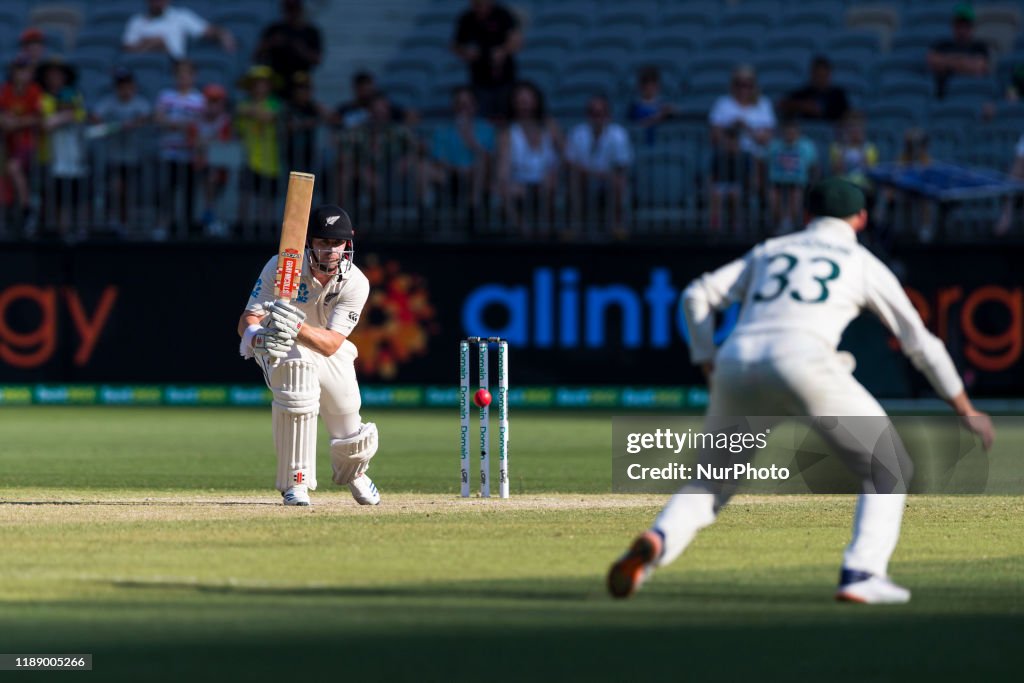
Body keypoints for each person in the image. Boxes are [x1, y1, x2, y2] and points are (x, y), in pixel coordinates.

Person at [607, 178, 995, 605]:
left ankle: (659, 539)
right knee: (889, 466)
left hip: (737, 360)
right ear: (861, 219)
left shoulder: (771, 249)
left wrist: (707, 359)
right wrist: (964, 407)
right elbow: (920, 342)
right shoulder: (861, 261)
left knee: (710, 482)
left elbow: (696, 295)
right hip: (804, 361)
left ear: (806, 215)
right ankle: (862, 573)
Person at [237, 205, 380, 507]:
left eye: (337, 244)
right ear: (310, 243)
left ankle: (354, 471)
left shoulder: (356, 282)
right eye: (323, 243)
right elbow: (247, 320)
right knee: (297, 372)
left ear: (348, 243)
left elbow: (330, 344)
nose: (330, 251)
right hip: (281, 349)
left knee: (346, 406)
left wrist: (296, 326)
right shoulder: (281, 267)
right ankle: (295, 482)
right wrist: (256, 337)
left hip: (324, 345)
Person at [496, 81, 562, 235]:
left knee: (549, 185)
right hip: (519, 180)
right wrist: (503, 181)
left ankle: (546, 230)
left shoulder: (550, 126)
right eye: (520, 101)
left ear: (536, 102)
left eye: (528, 100)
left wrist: (557, 172)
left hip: (548, 177)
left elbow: (567, 154)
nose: (524, 105)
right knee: (504, 188)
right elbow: (503, 166)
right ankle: (522, 229)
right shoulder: (507, 132)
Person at [91, 68, 152, 233]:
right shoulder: (109, 102)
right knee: (115, 188)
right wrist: (109, 126)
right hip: (114, 157)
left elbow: (148, 117)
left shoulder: (140, 102)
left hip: (134, 156)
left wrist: (134, 123)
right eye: (121, 86)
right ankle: (113, 220)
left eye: (128, 86)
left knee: (130, 191)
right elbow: (95, 116)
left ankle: (128, 223)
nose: (124, 90)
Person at [565, 94, 633, 237]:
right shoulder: (577, 133)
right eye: (593, 113)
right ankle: (576, 226)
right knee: (574, 179)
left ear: (608, 115)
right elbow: (570, 162)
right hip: (585, 178)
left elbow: (621, 165)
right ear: (587, 115)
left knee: (619, 182)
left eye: (600, 113)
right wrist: (592, 174)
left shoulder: (618, 134)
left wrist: (604, 176)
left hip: (609, 178)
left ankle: (616, 226)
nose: (596, 117)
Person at [425, 85, 495, 216]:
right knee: (423, 167)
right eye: (460, 104)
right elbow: (438, 157)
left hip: (479, 174)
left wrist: (469, 138)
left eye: (467, 104)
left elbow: (489, 157)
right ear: (454, 107)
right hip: (450, 174)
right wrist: (457, 169)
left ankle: (473, 208)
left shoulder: (486, 128)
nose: (464, 108)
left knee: (481, 161)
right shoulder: (442, 130)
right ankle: (424, 211)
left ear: (475, 106)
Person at [154, 59, 205, 239]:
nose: (183, 77)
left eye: (187, 73)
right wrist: (182, 124)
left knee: (189, 193)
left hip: (190, 155)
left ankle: (187, 228)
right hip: (169, 154)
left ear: (194, 76)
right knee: (166, 191)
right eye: (179, 73)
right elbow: (159, 118)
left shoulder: (199, 99)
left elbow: (201, 125)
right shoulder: (165, 96)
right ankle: (162, 226)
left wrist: (177, 124)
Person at [37, 57, 87, 240]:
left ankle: (79, 231)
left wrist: (62, 117)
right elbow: (45, 123)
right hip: (49, 156)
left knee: (76, 197)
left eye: (59, 74)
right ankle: (59, 232)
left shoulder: (74, 95)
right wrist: (63, 117)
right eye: (51, 74)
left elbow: (79, 116)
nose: (55, 78)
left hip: (74, 157)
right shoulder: (42, 97)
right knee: (54, 198)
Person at [452, 0, 522, 120]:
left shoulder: (502, 14)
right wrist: (467, 52)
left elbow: (517, 40)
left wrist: (503, 51)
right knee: (483, 116)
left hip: (504, 76)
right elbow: (455, 45)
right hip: (479, 78)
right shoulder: (467, 18)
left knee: (506, 114)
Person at [236, 65, 283, 237]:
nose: (259, 87)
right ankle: (242, 230)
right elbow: (239, 122)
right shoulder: (244, 104)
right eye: (256, 83)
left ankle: (265, 230)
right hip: (248, 158)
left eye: (263, 83)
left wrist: (250, 111)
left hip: (270, 160)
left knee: (267, 198)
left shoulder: (274, 103)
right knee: (245, 195)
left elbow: (268, 116)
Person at [0, 54, 42, 234]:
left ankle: (27, 210)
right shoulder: (6, 90)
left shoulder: (34, 91)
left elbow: (37, 118)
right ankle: (10, 210)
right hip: (6, 144)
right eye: (19, 70)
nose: (22, 75)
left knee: (14, 168)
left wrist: (16, 123)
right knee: (7, 176)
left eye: (25, 71)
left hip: (26, 143)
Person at [122, 0, 235, 60]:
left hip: (173, 65)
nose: (158, 2)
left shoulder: (181, 16)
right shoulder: (136, 21)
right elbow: (128, 48)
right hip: (143, 64)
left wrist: (224, 34)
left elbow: (207, 31)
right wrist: (153, 43)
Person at [254, 0, 323, 96]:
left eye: (293, 8)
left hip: (300, 84)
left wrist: (301, 49)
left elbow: (317, 60)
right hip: (276, 82)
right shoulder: (274, 30)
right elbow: (256, 56)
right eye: (288, 8)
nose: (291, 13)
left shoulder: (310, 32)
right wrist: (272, 43)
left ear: (300, 10)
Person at [709, 65, 776, 160]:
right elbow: (714, 136)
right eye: (739, 84)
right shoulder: (722, 103)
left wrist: (747, 128)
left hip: (756, 158)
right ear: (733, 84)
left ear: (754, 85)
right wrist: (731, 130)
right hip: (728, 157)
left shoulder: (764, 104)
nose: (743, 89)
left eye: (748, 85)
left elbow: (767, 139)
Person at [926, 3, 990, 100]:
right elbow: (932, 61)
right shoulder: (942, 45)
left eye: (966, 25)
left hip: (971, 95)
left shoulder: (979, 47)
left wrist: (947, 62)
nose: (962, 30)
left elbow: (978, 67)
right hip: (944, 96)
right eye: (959, 25)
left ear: (972, 27)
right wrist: (964, 62)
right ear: (953, 26)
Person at [765, 119, 818, 233]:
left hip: (797, 183)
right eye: (787, 132)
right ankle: (778, 224)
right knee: (773, 198)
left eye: (793, 132)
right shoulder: (774, 145)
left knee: (795, 196)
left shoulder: (806, 146)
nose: (790, 135)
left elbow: (814, 165)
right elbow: (763, 162)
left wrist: (813, 183)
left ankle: (790, 224)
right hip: (776, 182)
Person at [194, 83, 232, 237]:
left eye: (217, 101)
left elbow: (224, 141)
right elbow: (194, 141)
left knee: (219, 195)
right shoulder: (197, 120)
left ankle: (218, 221)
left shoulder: (225, 121)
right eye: (210, 101)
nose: (213, 105)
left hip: (221, 167)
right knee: (204, 193)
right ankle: (206, 220)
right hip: (200, 165)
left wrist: (206, 142)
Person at [777, 56, 851, 122]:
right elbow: (781, 105)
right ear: (812, 74)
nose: (821, 79)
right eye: (818, 75)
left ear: (829, 74)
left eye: (824, 75)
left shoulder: (838, 95)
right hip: (805, 133)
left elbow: (847, 115)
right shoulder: (804, 93)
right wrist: (802, 106)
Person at [332, 71, 407, 130]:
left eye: (369, 90)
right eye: (363, 90)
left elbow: (408, 117)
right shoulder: (345, 109)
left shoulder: (387, 109)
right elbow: (335, 122)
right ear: (355, 89)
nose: (366, 93)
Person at [627, 66, 677, 144]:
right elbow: (637, 125)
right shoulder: (635, 107)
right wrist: (660, 116)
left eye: (653, 84)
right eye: (647, 85)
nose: (650, 88)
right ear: (641, 87)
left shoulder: (663, 105)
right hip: (641, 144)